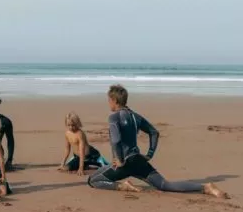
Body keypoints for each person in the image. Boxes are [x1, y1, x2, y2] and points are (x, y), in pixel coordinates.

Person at [87, 84, 228, 197]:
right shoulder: (136, 116)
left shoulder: (113, 118)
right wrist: (149, 154)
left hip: (124, 163)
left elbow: (116, 141)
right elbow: (154, 132)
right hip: (138, 160)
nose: (108, 103)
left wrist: (119, 159)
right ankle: (206, 187)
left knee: (93, 180)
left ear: (114, 101)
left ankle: (123, 186)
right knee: (164, 184)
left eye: (108, 100)